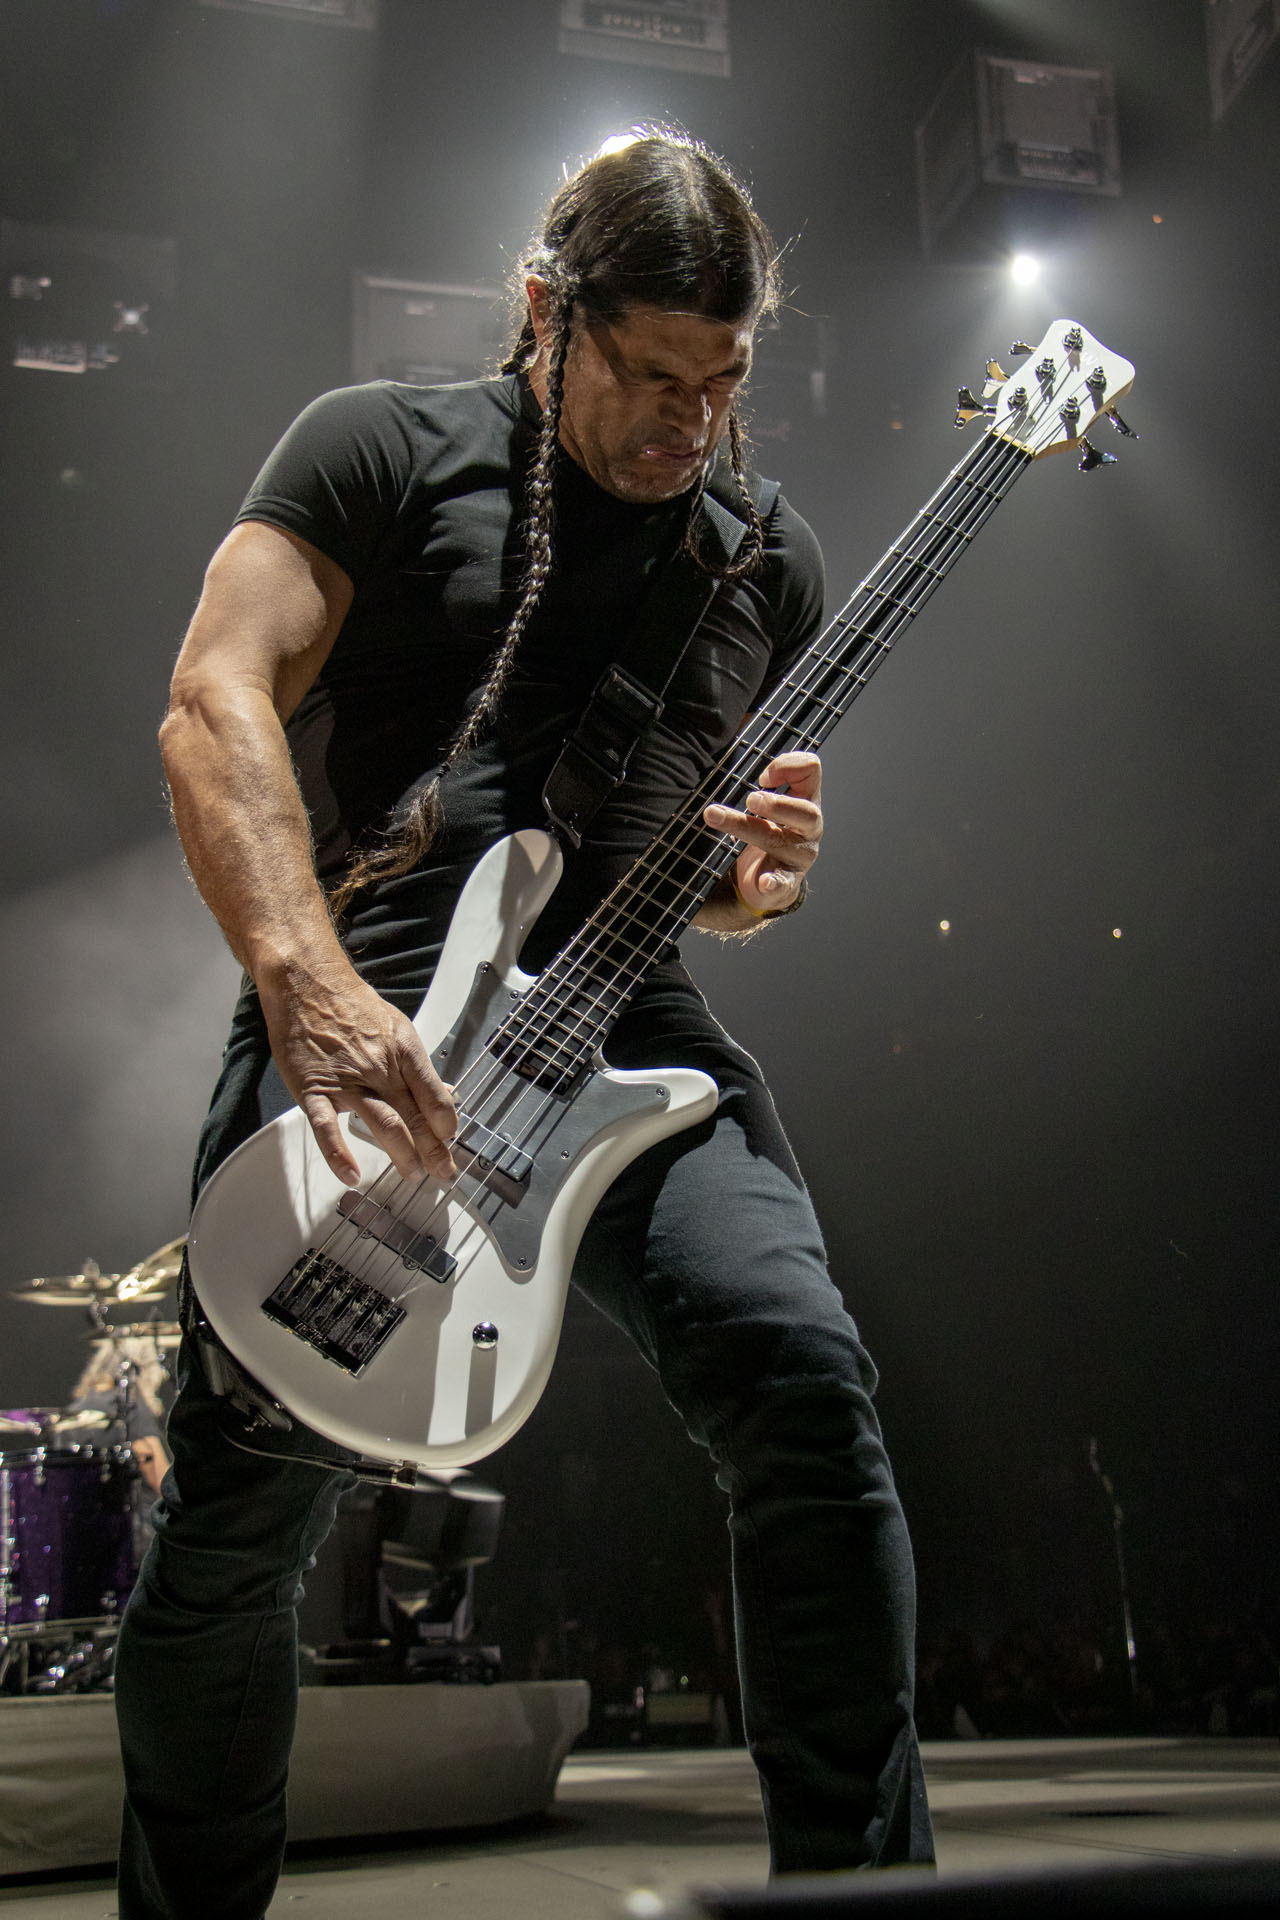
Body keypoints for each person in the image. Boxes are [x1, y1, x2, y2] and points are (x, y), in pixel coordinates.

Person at [114, 131, 935, 1918]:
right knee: (241, 1515)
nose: (690, 425)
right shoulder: (378, 449)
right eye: (652, 376)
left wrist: (761, 880)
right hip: (372, 999)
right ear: (549, 312)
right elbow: (210, 702)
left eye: (723, 383)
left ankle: (866, 1897)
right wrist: (307, 984)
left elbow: (706, 873)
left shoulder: (762, 559)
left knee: (805, 1382)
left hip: (627, 1026)